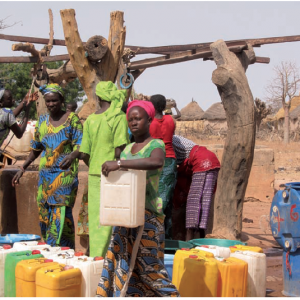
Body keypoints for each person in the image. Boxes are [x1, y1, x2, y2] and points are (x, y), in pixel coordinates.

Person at [97, 100, 179, 297]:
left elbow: (157, 161)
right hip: (124, 217)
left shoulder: (155, 145)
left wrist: (119, 163)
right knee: (120, 263)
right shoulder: (127, 149)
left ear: (149, 120)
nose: (133, 122)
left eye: (138, 118)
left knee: (149, 268)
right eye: (130, 119)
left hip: (147, 217)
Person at [12, 83, 83, 249]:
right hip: (45, 179)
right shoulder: (42, 121)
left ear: (62, 100)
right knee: (46, 218)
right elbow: (36, 148)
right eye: (48, 101)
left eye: (54, 101)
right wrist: (23, 168)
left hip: (64, 178)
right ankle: (59, 253)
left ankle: (57, 252)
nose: (51, 104)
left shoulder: (72, 120)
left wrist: (73, 155)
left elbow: (81, 145)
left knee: (60, 217)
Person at [79, 81, 129, 257]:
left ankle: (96, 256)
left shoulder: (91, 120)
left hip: (94, 174)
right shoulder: (118, 117)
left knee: (96, 219)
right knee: (113, 217)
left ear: (98, 97)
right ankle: (108, 258)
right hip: (114, 174)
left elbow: (83, 153)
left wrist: (94, 163)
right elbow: (120, 150)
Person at [172, 135, 220, 241]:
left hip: (200, 161)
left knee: (193, 203)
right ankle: (201, 240)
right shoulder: (176, 141)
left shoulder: (170, 140)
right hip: (212, 160)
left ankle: (189, 243)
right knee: (205, 202)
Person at [149, 94, 177, 239]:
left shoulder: (149, 122)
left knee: (154, 200)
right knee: (167, 202)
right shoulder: (170, 120)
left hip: (154, 160)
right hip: (170, 161)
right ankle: (166, 237)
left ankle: (154, 236)